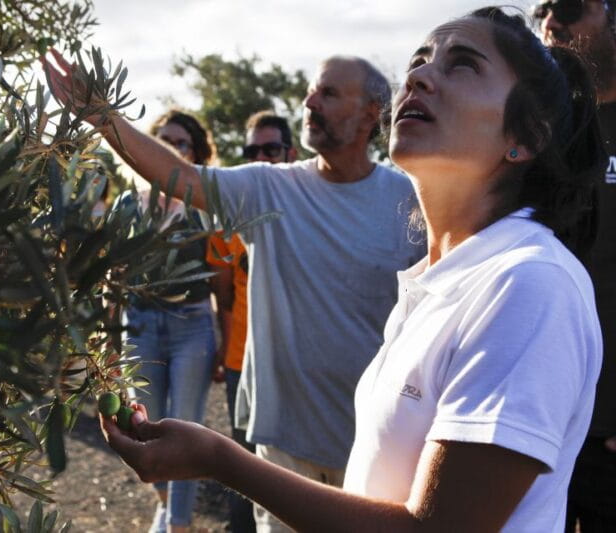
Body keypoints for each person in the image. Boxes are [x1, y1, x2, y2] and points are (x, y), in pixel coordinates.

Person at [100, 6, 606, 532]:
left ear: (526, 136)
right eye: (418, 61)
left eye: (462, 65)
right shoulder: (439, 284)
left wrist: (220, 459)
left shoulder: (529, 285)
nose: (418, 77)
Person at [43, 50, 425, 530]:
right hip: (283, 450)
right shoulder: (271, 188)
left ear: (373, 112)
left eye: (328, 93)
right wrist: (103, 117)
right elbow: (180, 177)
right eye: (312, 89)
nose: (310, 101)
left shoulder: (409, 202)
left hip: (374, 448)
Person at [535, 1, 616, 530]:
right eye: (540, 9)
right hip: (533, 424)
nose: (549, 20)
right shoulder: (534, 132)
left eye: (566, 5)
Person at [118, 109, 219, 533]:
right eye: (162, 140)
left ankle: (176, 524)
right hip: (139, 324)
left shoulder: (204, 208)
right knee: (146, 426)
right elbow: (113, 276)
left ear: (194, 154)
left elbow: (224, 279)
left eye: (180, 143)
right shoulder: (128, 205)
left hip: (191, 326)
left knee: (186, 429)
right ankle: (165, 502)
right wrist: (108, 342)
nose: (170, 149)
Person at [207, 111, 297, 533]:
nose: (261, 157)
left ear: (291, 153)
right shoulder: (231, 215)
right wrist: (226, 353)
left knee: (295, 471)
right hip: (243, 358)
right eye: (252, 150)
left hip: (298, 362)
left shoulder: (309, 207)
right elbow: (222, 292)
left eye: (271, 149)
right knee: (243, 466)